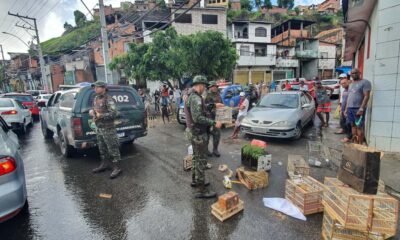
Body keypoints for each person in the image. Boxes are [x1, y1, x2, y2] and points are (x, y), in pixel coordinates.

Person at [185, 75, 222, 198]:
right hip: (198, 134)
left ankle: (196, 181)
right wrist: (213, 122)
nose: (205, 88)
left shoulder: (194, 96)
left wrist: (213, 106)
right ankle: (201, 190)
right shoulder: (195, 98)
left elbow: (201, 110)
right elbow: (198, 118)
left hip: (194, 132)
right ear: (199, 85)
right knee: (201, 161)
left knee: (196, 158)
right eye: (204, 86)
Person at [90, 81, 122, 179]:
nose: (95, 89)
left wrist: (101, 115)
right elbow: (95, 110)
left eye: (97, 87)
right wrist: (92, 113)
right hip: (99, 128)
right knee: (102, 148)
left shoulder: (109, 99)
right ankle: (104, 165)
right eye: (94, 87)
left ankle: (117, 168)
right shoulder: (96, 98)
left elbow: (115, 113)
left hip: (108, 128)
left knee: (112, 148)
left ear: (104, 88)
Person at [345, 68, 371, 144]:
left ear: (359, 73)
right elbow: (349, 97)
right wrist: (346, 108)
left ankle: (360, 145)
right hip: (350, 109)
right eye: (352, 73)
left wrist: (361, 108)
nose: (353, 74)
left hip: (358, 109)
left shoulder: (365, 82)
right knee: (353, 126)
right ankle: (355, 144)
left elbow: (367, 96)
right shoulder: (351, 84)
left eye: (355, 73)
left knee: (359, 127)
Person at [204, 81, 224, 157]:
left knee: (217, 134)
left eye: (216, 86)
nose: (215, 87)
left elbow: (222, 105)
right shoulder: (206, 95)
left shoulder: (218, 95)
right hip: (208, 118)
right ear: (210, 87)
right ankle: (206, 150)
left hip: (217, 118)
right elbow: (203, 106)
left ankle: (215, 149)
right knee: (207, 135)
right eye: (213, 86)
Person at [335, 74, 352, 142]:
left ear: (348, 81)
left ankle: (349, 136)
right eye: (341, 83)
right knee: (342, 121)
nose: (343, 84)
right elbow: (341, 96)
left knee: (348, 123)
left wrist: (346, 109)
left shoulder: (350, 89)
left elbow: (349, 100)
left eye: (344, 83)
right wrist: (340, 105)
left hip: (348, 109)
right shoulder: (344, 89)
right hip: (343, 106)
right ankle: (345, 131)